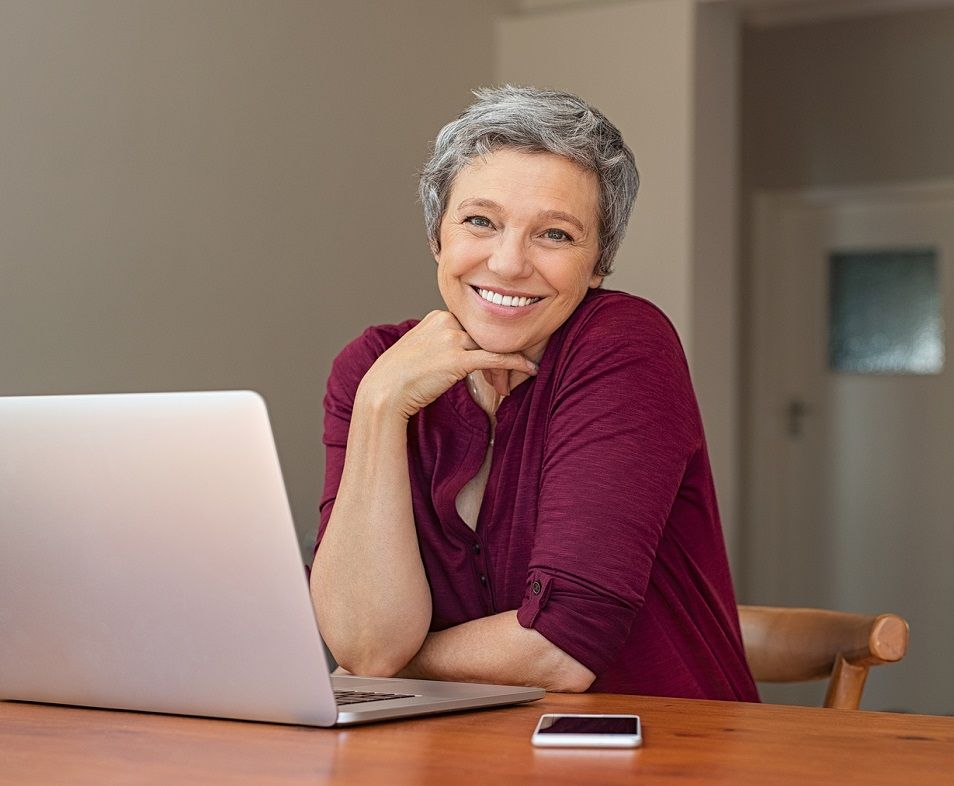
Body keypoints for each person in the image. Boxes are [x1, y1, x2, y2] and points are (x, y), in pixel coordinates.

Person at [310, 86, 757, 701]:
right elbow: (364, 643)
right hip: (458, 747)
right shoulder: (373, 367)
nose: (509, 263)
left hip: (667, 739)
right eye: (480, 221)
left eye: (555, 235)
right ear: (437, 236)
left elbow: (561, 652)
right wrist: (381, 405)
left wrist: (395, 668)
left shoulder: (625, 345)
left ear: (598, 264)